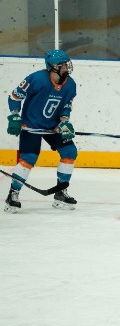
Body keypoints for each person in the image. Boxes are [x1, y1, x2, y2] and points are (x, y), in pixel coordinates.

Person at [5, 49, 79, 213]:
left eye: (67, 64)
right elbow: (15, 96)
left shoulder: (71, 84)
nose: (66, 67)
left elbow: (66, 106)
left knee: (70, 152)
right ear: (53, 67)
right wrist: (15, 116)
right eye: (62, 65)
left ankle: (60, 192)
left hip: (52, 127)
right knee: (29, 158)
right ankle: (13, 194)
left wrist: (64, 122)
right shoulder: (37, 79)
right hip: (31, 125)